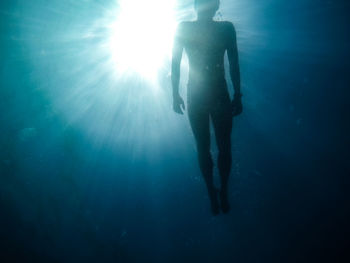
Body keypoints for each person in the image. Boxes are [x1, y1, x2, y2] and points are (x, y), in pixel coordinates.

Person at [171, 0, 242, 215]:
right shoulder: (224, 28)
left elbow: (174, 63)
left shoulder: (186, 28)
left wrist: (175, 94)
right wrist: (237, 95)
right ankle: (217, 192)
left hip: (199, 95)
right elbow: (234, 63)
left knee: (211, 148)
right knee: (219, 147)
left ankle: (216, 192)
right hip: (214, 95)